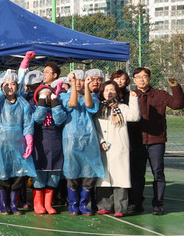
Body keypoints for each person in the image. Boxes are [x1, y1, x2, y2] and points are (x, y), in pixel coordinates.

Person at [127, 68, 183, 215]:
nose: (141, 79)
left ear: (149, 78)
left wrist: (175, 86)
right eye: (138, 77)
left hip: (156, 141)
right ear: (134, 80)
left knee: (158, 173)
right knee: (136, 173)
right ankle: (136, 203)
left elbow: (177, 104)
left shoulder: (160, 94)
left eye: (144, 77)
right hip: (136, 141)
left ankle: (158, 204)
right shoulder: (130, 96)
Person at [0, 72, 37, 215]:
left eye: (13, 84)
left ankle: (13, 204)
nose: (10, 87)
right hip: (0, 144)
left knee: (18, 176)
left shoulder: (23, 103)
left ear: (17, 86)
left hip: (18, 144)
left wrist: (29, 140)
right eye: (6, 84)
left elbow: (28, 123)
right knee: (2, 175)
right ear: (1, 86)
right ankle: (3, 204)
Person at [94, 80, 140, 217]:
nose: (109, 92)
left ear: (117, 92)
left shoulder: (123, 108)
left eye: (112, 90)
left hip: (119, 148)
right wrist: (100, 141)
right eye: (106, 90)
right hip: (104, 149)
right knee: (104, 178)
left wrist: (133, 99)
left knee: (120, 178)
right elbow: (96, 128)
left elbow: (135, 117)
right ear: (102, 93)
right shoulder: (99, 108)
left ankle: (121, 208)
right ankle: (104, 205)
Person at [61, 70, 103, 216]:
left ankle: (84, 204)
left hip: (89, 139)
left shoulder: (93, 97)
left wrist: (86, 87)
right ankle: (73, 204)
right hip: (71, 139)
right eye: (76, 80)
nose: (78, 82)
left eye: (81, 80)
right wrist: (73, 84)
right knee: (72, 172)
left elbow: (89, 106)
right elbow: (72, 104)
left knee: (89, 173)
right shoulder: (64, 96)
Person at [31, 81, 66, 214]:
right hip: (40, 145)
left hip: (55, 145)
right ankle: (38, 204)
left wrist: (55, 104)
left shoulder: (57, 107)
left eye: (49, 94)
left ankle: (48, 203)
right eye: (43, 95)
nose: (46, 97)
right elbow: (37, 120)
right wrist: (41, 105)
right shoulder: (33, 107)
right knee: (39, 175)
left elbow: (59, 120)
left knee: (54, 175)